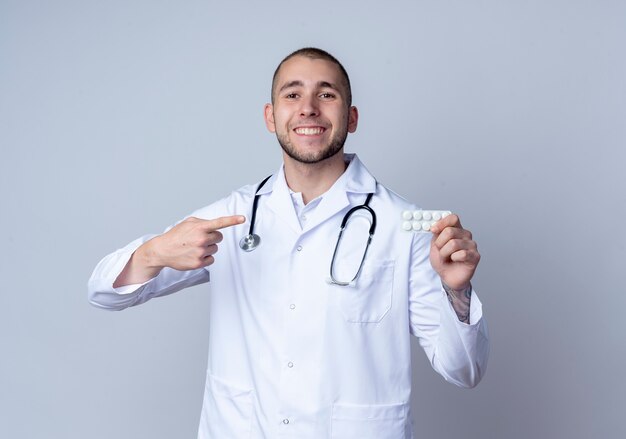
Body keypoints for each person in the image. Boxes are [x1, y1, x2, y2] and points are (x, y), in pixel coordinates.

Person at [88, 47, 489, 439]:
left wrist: (457, 291)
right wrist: (155, 252)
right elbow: (104, 293)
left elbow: (465, 370)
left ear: (351, 118)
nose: (308, 108)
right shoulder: (235, 216)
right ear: (270, 116)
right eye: (292, 94)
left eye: (326, 94)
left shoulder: (403, 227)